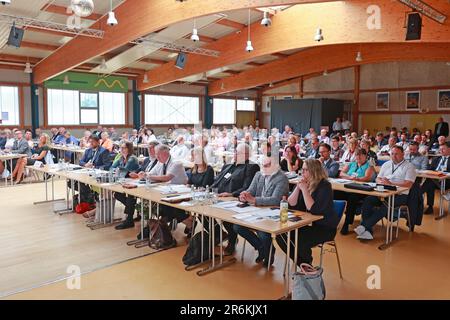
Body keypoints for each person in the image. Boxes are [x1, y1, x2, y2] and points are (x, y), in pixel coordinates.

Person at [276, 159, 339, 265]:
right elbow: (291, 203)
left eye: (305, 170)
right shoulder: (305, 183)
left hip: (324, 227)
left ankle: (306, 266)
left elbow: (314, 209)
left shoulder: (324, 186)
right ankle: (304, 265)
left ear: (313, 171)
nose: (302, 172)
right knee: (281, 236)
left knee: (300, 240)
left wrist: (304, 190)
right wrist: (297, 188)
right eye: (302, 169)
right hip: (305, 224)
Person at [233, 156, 289, 267]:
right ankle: (262, 248)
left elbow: (276, 199)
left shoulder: (281, 178)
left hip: (273, 212)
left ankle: (267, 252)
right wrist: (244, 195)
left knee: (263, 232)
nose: (264, 167)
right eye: (263, 164)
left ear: (275, 166)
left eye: (267, 165)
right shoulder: (259, 174)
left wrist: (254, 200)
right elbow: (250, 190)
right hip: (257, 210)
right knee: (237, 226)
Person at [355, 146, 416, 240]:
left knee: (387, 204)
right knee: (368, 200)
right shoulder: (386, 164)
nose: (394, 156)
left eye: (396, 154)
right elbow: (378, 178)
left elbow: (408, 184)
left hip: (400, 195)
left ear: (403, 154)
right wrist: (381, 182)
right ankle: (368, 231)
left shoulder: (409, 166)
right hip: (383, 191)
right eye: (392, 154)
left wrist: (391, 183)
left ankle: (364, 226)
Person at [211, 143, 260, 255]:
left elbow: (247, 187)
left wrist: (231, 194)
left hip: (234, 199)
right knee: (202, 212)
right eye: (235, 152)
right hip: (219, 197)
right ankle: (220, 235)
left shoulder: (252, 167)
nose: (235, 154)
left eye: (238, 152)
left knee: (228, 217)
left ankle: (232, 239)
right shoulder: (228, 166)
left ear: (246, 155)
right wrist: (209, 190)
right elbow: (217, 181)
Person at [337, 149, 376, 235]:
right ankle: (330, 219)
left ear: (366, 156)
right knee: (333, 193)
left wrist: (357, 179)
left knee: (352, 198)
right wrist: (350, 177)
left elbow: (367, 178)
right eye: (356, 155)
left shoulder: (369, 166)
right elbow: (341, 173)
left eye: (360, 155)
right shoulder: (351, 164)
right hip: (348, 187)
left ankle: (346, 223)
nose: (358, 157)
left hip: (361, 191)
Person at [111, 142, 141, 228]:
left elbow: (125, 170)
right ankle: (135, 209)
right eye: (121, 148)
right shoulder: (121, 158)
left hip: (135, 182)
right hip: (126, 181)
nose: (122, 149)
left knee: (130, 197)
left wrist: (118, 169)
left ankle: (129, 220)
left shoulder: (132, 158)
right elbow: (112, 166)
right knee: (117, 194)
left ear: (129, 149)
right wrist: (118, 167)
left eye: (124, 148)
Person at [421, 142, 450, 215]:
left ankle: (419, 194)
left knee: (429, 183)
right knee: (430, 184)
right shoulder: (436, 158)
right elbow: (430, 169)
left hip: (446, 181)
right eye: (440, 149)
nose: (441, 151)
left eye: (443, 149)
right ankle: (429, 206)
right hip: (435, 180)